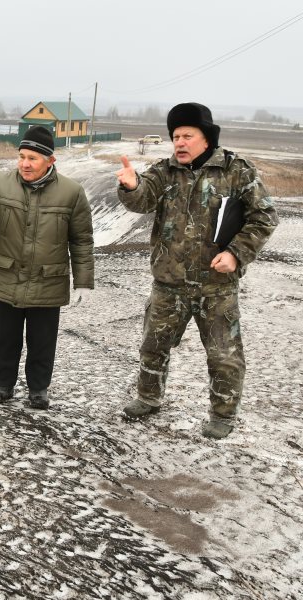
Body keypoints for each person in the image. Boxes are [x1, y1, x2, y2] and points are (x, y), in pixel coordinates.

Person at [116, 102, 278, 439]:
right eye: (175, 136)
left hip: (216, 286)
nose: (179, 142)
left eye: (187, 135)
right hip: (168, 282)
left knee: (224, 356)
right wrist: (131, 187)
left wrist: (236, 254)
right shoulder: (164, 171)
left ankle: (223, 415)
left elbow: (264, 217)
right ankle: (148, 397)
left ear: (206, 138)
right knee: (153, 345)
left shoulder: (237, 171)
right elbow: (143, 200)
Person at [0, 125, 94, 409]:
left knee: (42, 341)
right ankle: (2, 385)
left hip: (47, 280)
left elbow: (82, 240)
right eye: (22, 156)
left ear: (50, 160)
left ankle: (38, 389)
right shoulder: (1, 183)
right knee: (3, 339)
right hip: (6, 277)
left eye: (33, 158)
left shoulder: (72, 193)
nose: (25, 164)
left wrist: (84, 280)